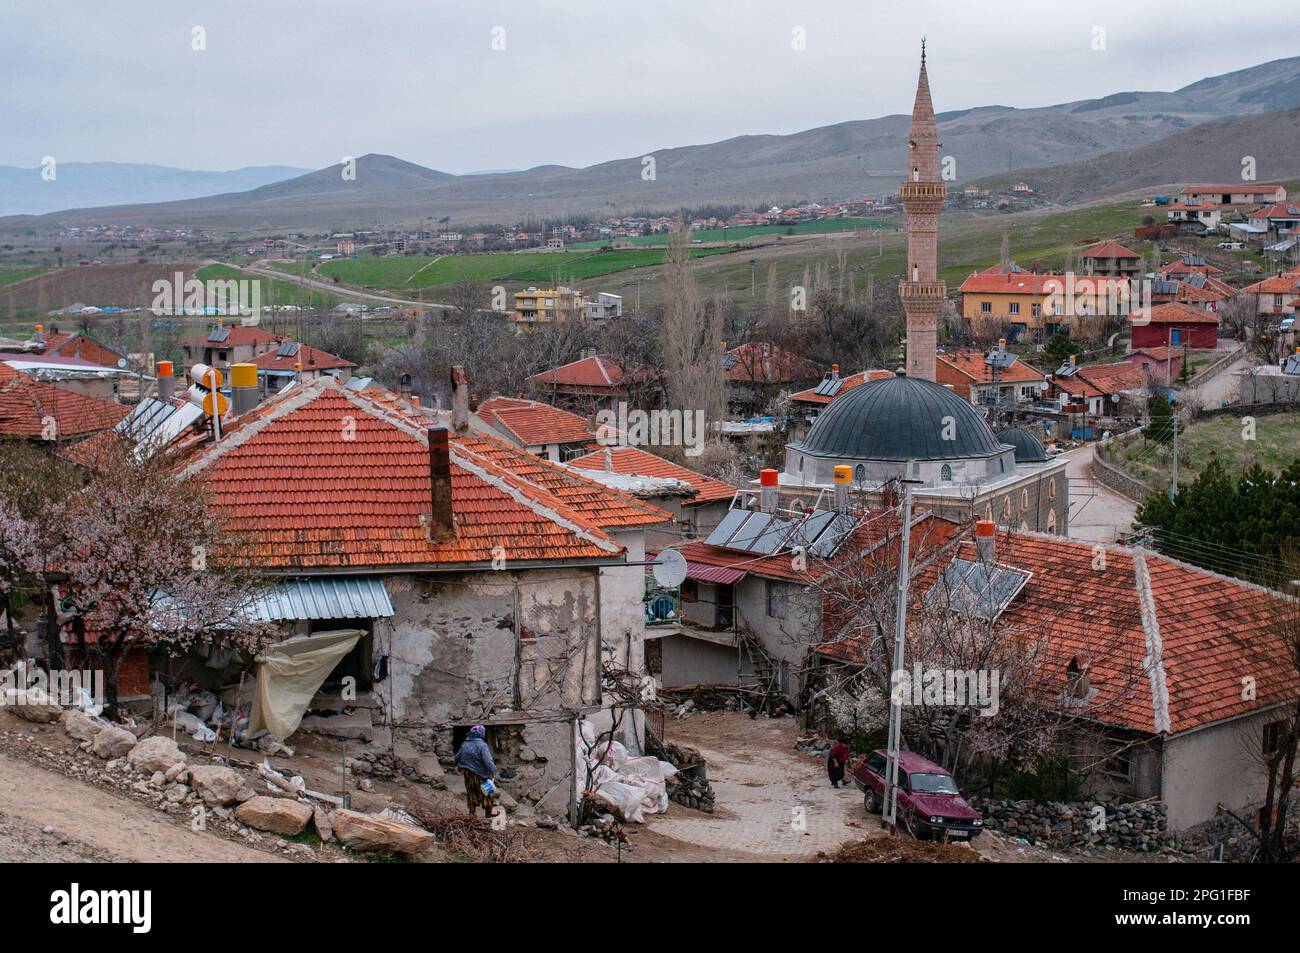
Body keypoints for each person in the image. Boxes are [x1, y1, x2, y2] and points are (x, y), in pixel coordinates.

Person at [455, 724, 498, 817]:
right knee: (486, 792)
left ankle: (472, 813)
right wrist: (493, 771)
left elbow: (457, 757)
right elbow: (488, 760)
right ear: (482, 734)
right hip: (480, 774)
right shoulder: (482, 745)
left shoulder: (465, 744)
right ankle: (488, 813)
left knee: (471, 792)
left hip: (467, 773)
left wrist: (459, 765)